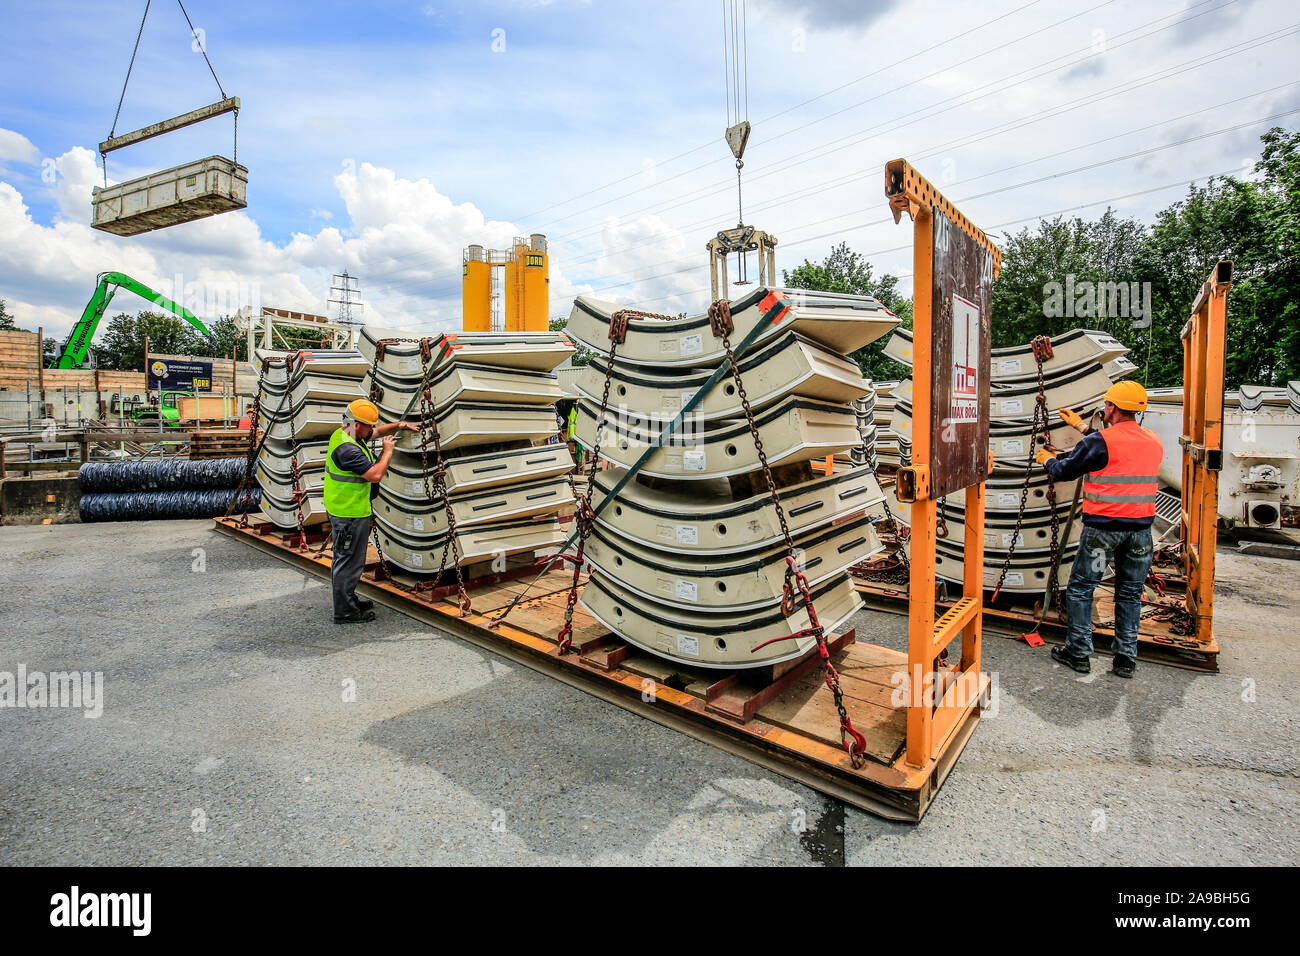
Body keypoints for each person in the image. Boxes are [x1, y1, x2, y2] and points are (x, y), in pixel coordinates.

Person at [1036, 380, 1162, 678]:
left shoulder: (1100, 443)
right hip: (1140, 535)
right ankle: (1125, 659)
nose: (1104, 408)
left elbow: (1067, 470)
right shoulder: (1152, 440)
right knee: (1130, 594)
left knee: (1081, 589)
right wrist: (1081, 428)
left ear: (1112, 408)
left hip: (1103, 535)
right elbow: (1116, 451)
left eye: (1107, 404)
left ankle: (1078, 653)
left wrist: (1048, 459)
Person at [323, 399, 418, 623]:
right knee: (348, 562)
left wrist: (399, 426)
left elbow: (374, 433)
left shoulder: (345, 433)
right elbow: (375, 474)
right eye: (367, 425)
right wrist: (388, 451)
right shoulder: (347, 449)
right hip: (348, 513)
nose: (371, 429)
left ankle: (348, 599)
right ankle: (345, 612)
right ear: (356, 425)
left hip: (347, 509)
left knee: (347, 559)